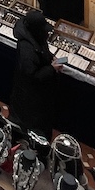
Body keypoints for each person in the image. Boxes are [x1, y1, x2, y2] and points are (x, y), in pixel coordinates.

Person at [9, 9, 61, 140]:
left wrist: (50, 58)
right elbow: (32, 77)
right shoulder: (27, 50)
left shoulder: (34, 36)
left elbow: (43, 49)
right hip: (29, 100)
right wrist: (51, 68)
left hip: (35, 98)